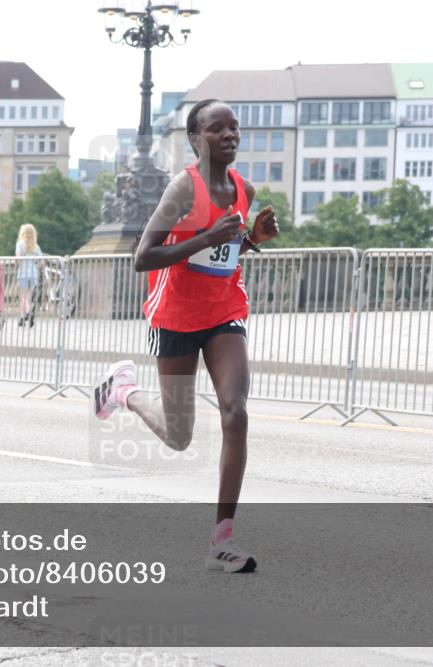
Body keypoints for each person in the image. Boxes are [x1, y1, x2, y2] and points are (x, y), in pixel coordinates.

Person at [91, 99, 279, 574]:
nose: (230, 134)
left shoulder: (244, 188)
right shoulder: (183, 187)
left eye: (235, 127)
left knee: (236, 413)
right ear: (197, 139)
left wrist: (252, 239)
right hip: (174, 315)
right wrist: (205, 238)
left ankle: (223, 540)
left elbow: (229, 253)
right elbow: (143, 256)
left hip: (224, 312)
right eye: (217, 128)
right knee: (179, 436)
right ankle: (124, 392)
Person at [15, 223, 42, 327]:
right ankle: (25, 315)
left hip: (23, 273)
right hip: (33, 273)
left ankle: (25, 314)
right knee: (29, 296)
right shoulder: (36, 246)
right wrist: (37, 265)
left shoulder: (20, 244)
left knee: (23, 297)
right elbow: (41, 261)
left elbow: (18, 259)